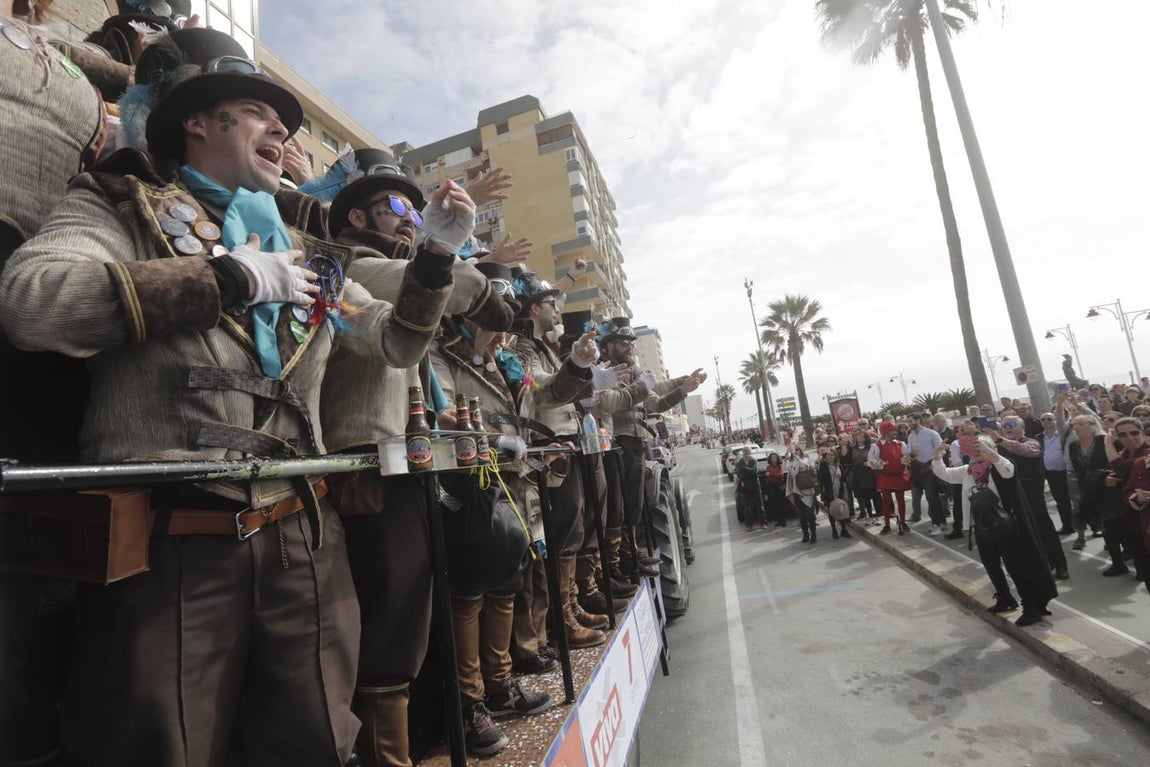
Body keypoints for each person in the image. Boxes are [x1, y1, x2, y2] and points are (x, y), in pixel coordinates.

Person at [0, 28, 473, 765]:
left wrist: (436, 257)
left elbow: (393, 342)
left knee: (319, 739)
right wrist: (222, 281)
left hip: (303, 541)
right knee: (164, 746)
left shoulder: (308, 256)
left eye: (282, 123)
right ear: (198, 119)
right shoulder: (123, 205)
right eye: (257, 111)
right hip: (175, 545)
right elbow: (34, 302)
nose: (282, 131)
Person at [316, 148, 513, 767]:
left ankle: (454, 712)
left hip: (412, 457)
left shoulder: (401, 265)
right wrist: (448, 253)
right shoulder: (353, 263)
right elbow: (430, 294)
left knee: (428, 602)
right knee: (391, 618)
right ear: (353, 217)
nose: (407, 216)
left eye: (411, 205)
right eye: (394, 205)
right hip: (367, 460)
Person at [931, 438, 1058, 626]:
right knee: (990, 564)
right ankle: (1005, 598)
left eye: (981, 446)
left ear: (992, 449)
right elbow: (944, 473)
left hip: (1005, 525)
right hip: (982, 524)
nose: (976, 451)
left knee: (1016, 566)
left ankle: (1030, 606)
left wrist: (989, 453)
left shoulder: (999, 465)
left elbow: (1009, 471)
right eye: (974, 448)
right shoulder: (968, 470)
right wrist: (937, 455)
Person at [993, 416, 1070, 580]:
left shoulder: (1032, 442)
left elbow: (1024, 450)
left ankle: (1059, 565)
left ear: (1023, 427)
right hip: (1010, 494)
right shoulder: (999, 447)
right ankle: (1037, 567)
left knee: (1044, 529)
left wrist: (999, 439)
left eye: (1012, 425)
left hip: (1032, 494)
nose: (1008, 428)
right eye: (1005, 425)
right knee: (1020, 533)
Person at [1106, 417, 1150, 586]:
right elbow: (1128, 488)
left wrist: (1106, 443)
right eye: (1123, 435)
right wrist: (1135, 498)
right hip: (1136, 524)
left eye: (1134, 433)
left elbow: (1121, 468)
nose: (1130, 438)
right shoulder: (1137, 460)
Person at [869, 421, 911, 536]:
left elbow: (907, 456)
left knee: (901, 500)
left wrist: (906, 459)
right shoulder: (876, 446)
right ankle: (887, 525)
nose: (894, 432)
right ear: (886, 432)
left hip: (898, 475)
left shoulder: (900, 444)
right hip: (885, 476)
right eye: (892, 430)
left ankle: (902, 522)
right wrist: (881, 464)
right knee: (886, 501)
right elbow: (871, 461)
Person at [1038, 411, 1075, 535]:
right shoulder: (1038, 437)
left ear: (1055, 420)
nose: (1046, 421)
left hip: (1067, 471)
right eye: (1043, 419)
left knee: (1076, 499)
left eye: (1049, 418)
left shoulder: (1064, 435)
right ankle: (1068, 525)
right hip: (1051, 475)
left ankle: (1091, 526)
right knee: (1061, 501)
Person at [907, 412, 945, 534]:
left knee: (931, 496)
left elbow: (942, 450)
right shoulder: (910, 437)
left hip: (931, 469)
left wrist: (934, 461)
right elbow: (910, 453)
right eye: (908, 422)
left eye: (911, 421)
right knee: (930, 497)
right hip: (918, 470)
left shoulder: (931, 434)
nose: (909, 424)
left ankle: (937, 524)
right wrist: (911, 455)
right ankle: (941, 522)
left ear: (919, 420)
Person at [785, 445, 818, 543]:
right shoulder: (790, 462)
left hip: (807, 490)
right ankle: (805, 534)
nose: (795, 452)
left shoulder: (805, 459)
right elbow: (790, 473)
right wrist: (786, 457)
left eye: (797, 450)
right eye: (794, 450)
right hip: (796, 491)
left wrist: (797, 457)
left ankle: (813, 534)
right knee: (801, 515)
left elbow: (804, 466)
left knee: (810, 514)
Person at [846, 428, 879, 524]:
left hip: (870, 473)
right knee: (865, 496)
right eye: (857, 436)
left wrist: (869, 463)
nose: (859, 438)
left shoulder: (871, 447)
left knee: (874, 495)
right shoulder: (853, 448)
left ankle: (878, 515)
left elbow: (877, 459)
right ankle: (869, 515)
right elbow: (849, 461)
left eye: (861, 436)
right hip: (859, 475)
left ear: (865, 437)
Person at [817, 447, 850, 539]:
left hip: (839, 491)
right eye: (828, 455)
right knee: (831, 511)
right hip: (829, 492)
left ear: (836, 456)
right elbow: (819, 476)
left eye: (832, 455)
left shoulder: (839, 466)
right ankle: (834, 530)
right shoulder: (823, 465)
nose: (830, 457)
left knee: (841, 510)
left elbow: (843, 480)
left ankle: (844, 529)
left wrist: (846, 493)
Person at [735, 445, 765, 532]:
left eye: (747, 452)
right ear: (743, 453)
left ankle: (763, 523)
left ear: (750, 453)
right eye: (744, 452)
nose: (746, 453)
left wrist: (745, 469)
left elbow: (755, 471)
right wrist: (748, 471)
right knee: (747, 507)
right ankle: (749, 525)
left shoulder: (754, 460)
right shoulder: (739, 462)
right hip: (744, 487)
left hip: (755, 485)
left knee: (760, 505)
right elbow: (740, 474)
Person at [764, 451, 788, 527]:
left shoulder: (780, 466)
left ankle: (783, 520)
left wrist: (771, 474)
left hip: (779, 487)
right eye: (772, 458)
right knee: (775, 504)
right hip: (772, 487)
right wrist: (773, 475)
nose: (773, 459)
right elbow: (767, 476)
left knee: (782, 504)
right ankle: (779, 520)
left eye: (774, 457)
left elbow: (781, 475)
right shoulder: (768, 467)